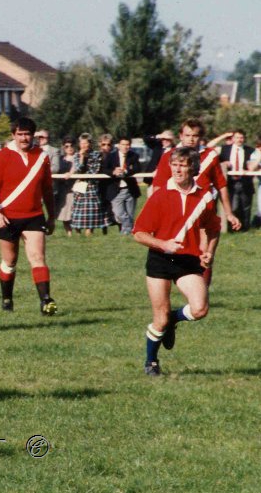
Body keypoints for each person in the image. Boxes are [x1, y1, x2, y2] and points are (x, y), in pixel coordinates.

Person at [133, 147, 220, 376]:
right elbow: (139, 233)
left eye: (183, 165)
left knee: (200, 309)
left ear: (193, 168)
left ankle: (173, 319)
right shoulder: (160, 195)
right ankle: (151, 362)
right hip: (160, 260)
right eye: (174, 165)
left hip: (188, 261)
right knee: (159, 320)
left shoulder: (204, 196)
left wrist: (209, 251)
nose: (177, 170)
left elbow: (213, 228)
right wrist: (163, 243)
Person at [150, 118, 241, 284]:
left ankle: (202, 292)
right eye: (187, 135)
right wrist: (157, 214)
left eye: (195, 135)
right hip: (176, 213)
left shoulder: (210, 156)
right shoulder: (169, 156)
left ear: (201, 137)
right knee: (172, 254)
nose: (191, 139)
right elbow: (158, 186)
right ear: (180, 136)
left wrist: (229, 213)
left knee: (205, 254)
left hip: (203, 212)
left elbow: (221, 185)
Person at [0, 117, 56, 315]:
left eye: (28, 134)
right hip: (7, 216)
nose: (24, 138)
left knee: (37, 257)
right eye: (20, 134)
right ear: (13, 135)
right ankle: (7, 299)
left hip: (34, 215)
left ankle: (46, 301)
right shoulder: (2, 156)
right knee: (10, 261)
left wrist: (51, 216)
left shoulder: (42, 157)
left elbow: (47, 189)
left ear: (34, 136)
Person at [70, 133, 109, 236]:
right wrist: (81, 158)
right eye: (81, 143)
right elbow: (78, 170)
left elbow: (94, 171)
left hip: (91, 187)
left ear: (90, 144)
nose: (83, 145)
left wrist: (82, 175)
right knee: (78, 211)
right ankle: (78, 235)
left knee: (91, 213)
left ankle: (89, 233)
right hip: (79, 187)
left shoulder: (96, 155)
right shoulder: (77, 155)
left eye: (85, 143)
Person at [103, 136, 141, 235]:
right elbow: (104, 169)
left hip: (130, 189)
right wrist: (113, 172)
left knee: (130, 214)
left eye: (127, 145)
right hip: (115, 190)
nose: (125, 147)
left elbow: (137, 168)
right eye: (123, 144)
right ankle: (130, 228)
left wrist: (127, 171)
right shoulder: (111, 156)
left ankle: (126, 235)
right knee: (119, 213)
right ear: (118, 145)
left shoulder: (134, 156)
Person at [218, 129, 254, 231]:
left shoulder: (250, 150)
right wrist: (223, 163)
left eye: (241, 137)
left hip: (245, 182)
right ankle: (232, 227)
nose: (239, 140)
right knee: (233, 206)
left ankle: (245, 228)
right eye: (237, 137)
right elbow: (209, 147)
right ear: (233, 138)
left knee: (246, 206)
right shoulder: (224, 149)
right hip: (230, 182)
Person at [56, 138, 76, 236]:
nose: (69, 148)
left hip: (75, 188)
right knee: (64, 212)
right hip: (63, 188)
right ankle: (69, 233)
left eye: (71, 146)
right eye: (67, 146)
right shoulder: (60, 159)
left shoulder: (78, 157)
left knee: (74, 211)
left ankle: (78, 233)